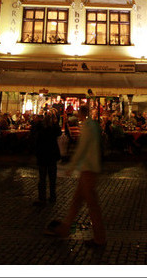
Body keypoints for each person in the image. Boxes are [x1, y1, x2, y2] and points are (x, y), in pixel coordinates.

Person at [44, 104, 105, 247]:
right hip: (89, 167)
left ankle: (100, 238)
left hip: (88, 168)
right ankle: (65, 228)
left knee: (92, 205)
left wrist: (71, 166)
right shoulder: (93, 125)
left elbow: (82, 148)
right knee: (76, 202)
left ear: (80, 114)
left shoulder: (88, 127)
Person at [33, 111, 62, 205]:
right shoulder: (53, 129)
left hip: (42, 156)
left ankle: (42, 197)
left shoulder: (40, 130)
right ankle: (52, 196)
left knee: (42, 178)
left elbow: (35, 139)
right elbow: (59, 132)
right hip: (52, 156)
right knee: (52, 178)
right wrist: (55, 123)